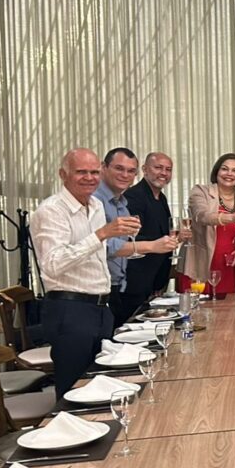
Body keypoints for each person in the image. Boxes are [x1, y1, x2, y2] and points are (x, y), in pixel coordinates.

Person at [31, 149, 141, 397]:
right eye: (81, 172)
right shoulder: (51, 210)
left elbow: (97, 257)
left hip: (100, 308)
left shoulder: (96, 205)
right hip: (70, 310)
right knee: (73, 391)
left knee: (100, 386)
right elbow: (52, 264)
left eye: (94, 172)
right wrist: (101, 234)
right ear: (63, 174)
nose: (89, 178)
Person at [95, 148, 177, 327]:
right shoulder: (96, 200)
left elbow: (126, 240)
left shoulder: (122, 202)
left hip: (126, 284)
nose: (125, 175)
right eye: (119, 168)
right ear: (103, 168)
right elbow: (106, 244)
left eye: (130, 171)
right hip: (111, 289)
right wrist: (153, 245)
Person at [125, 152, 191, 314]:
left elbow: (164, 235)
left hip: (156, 280)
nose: (163, 173)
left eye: (168, 169)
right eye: (158, 168)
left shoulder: (161, 198)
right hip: (136, 281)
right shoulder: (133, 196)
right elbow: (131, 238)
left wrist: (177, 238)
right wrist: (168, 240)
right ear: (144, 169)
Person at [180, 153, 235, 299]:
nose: (229, 174)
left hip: (228, 268)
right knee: (196, 311)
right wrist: (231, 217)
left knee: (228, 311)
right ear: (217, 171)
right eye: (224, 169)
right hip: (199, 265)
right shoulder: (201, 191)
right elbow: (201, 215)